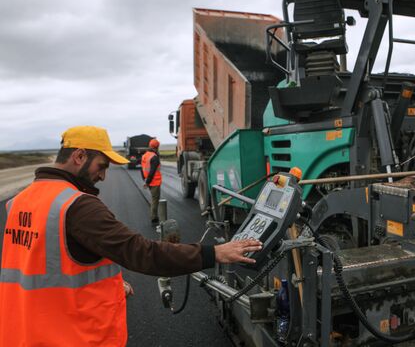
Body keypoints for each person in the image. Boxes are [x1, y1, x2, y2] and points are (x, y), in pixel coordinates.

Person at [0, 125, 262, 347]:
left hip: (24, 331)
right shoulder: (77, 206)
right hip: (70, 335)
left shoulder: (20, 201)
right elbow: (142, 253)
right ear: (79, 156)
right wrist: (214, 253)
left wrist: (107, 286)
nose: (103, 176)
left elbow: (46, 262)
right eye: (101, 166)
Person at [141, 138, 162, 226]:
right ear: (157, 147)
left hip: (148, 180)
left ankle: (154, 216)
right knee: (155, 200)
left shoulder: (145, 155)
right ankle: (154, 218)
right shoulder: (154, 157)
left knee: (154, 199)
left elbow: (141, 169)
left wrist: (145, 179)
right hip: (154, 182)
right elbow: (152, 171)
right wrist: (147, 182)